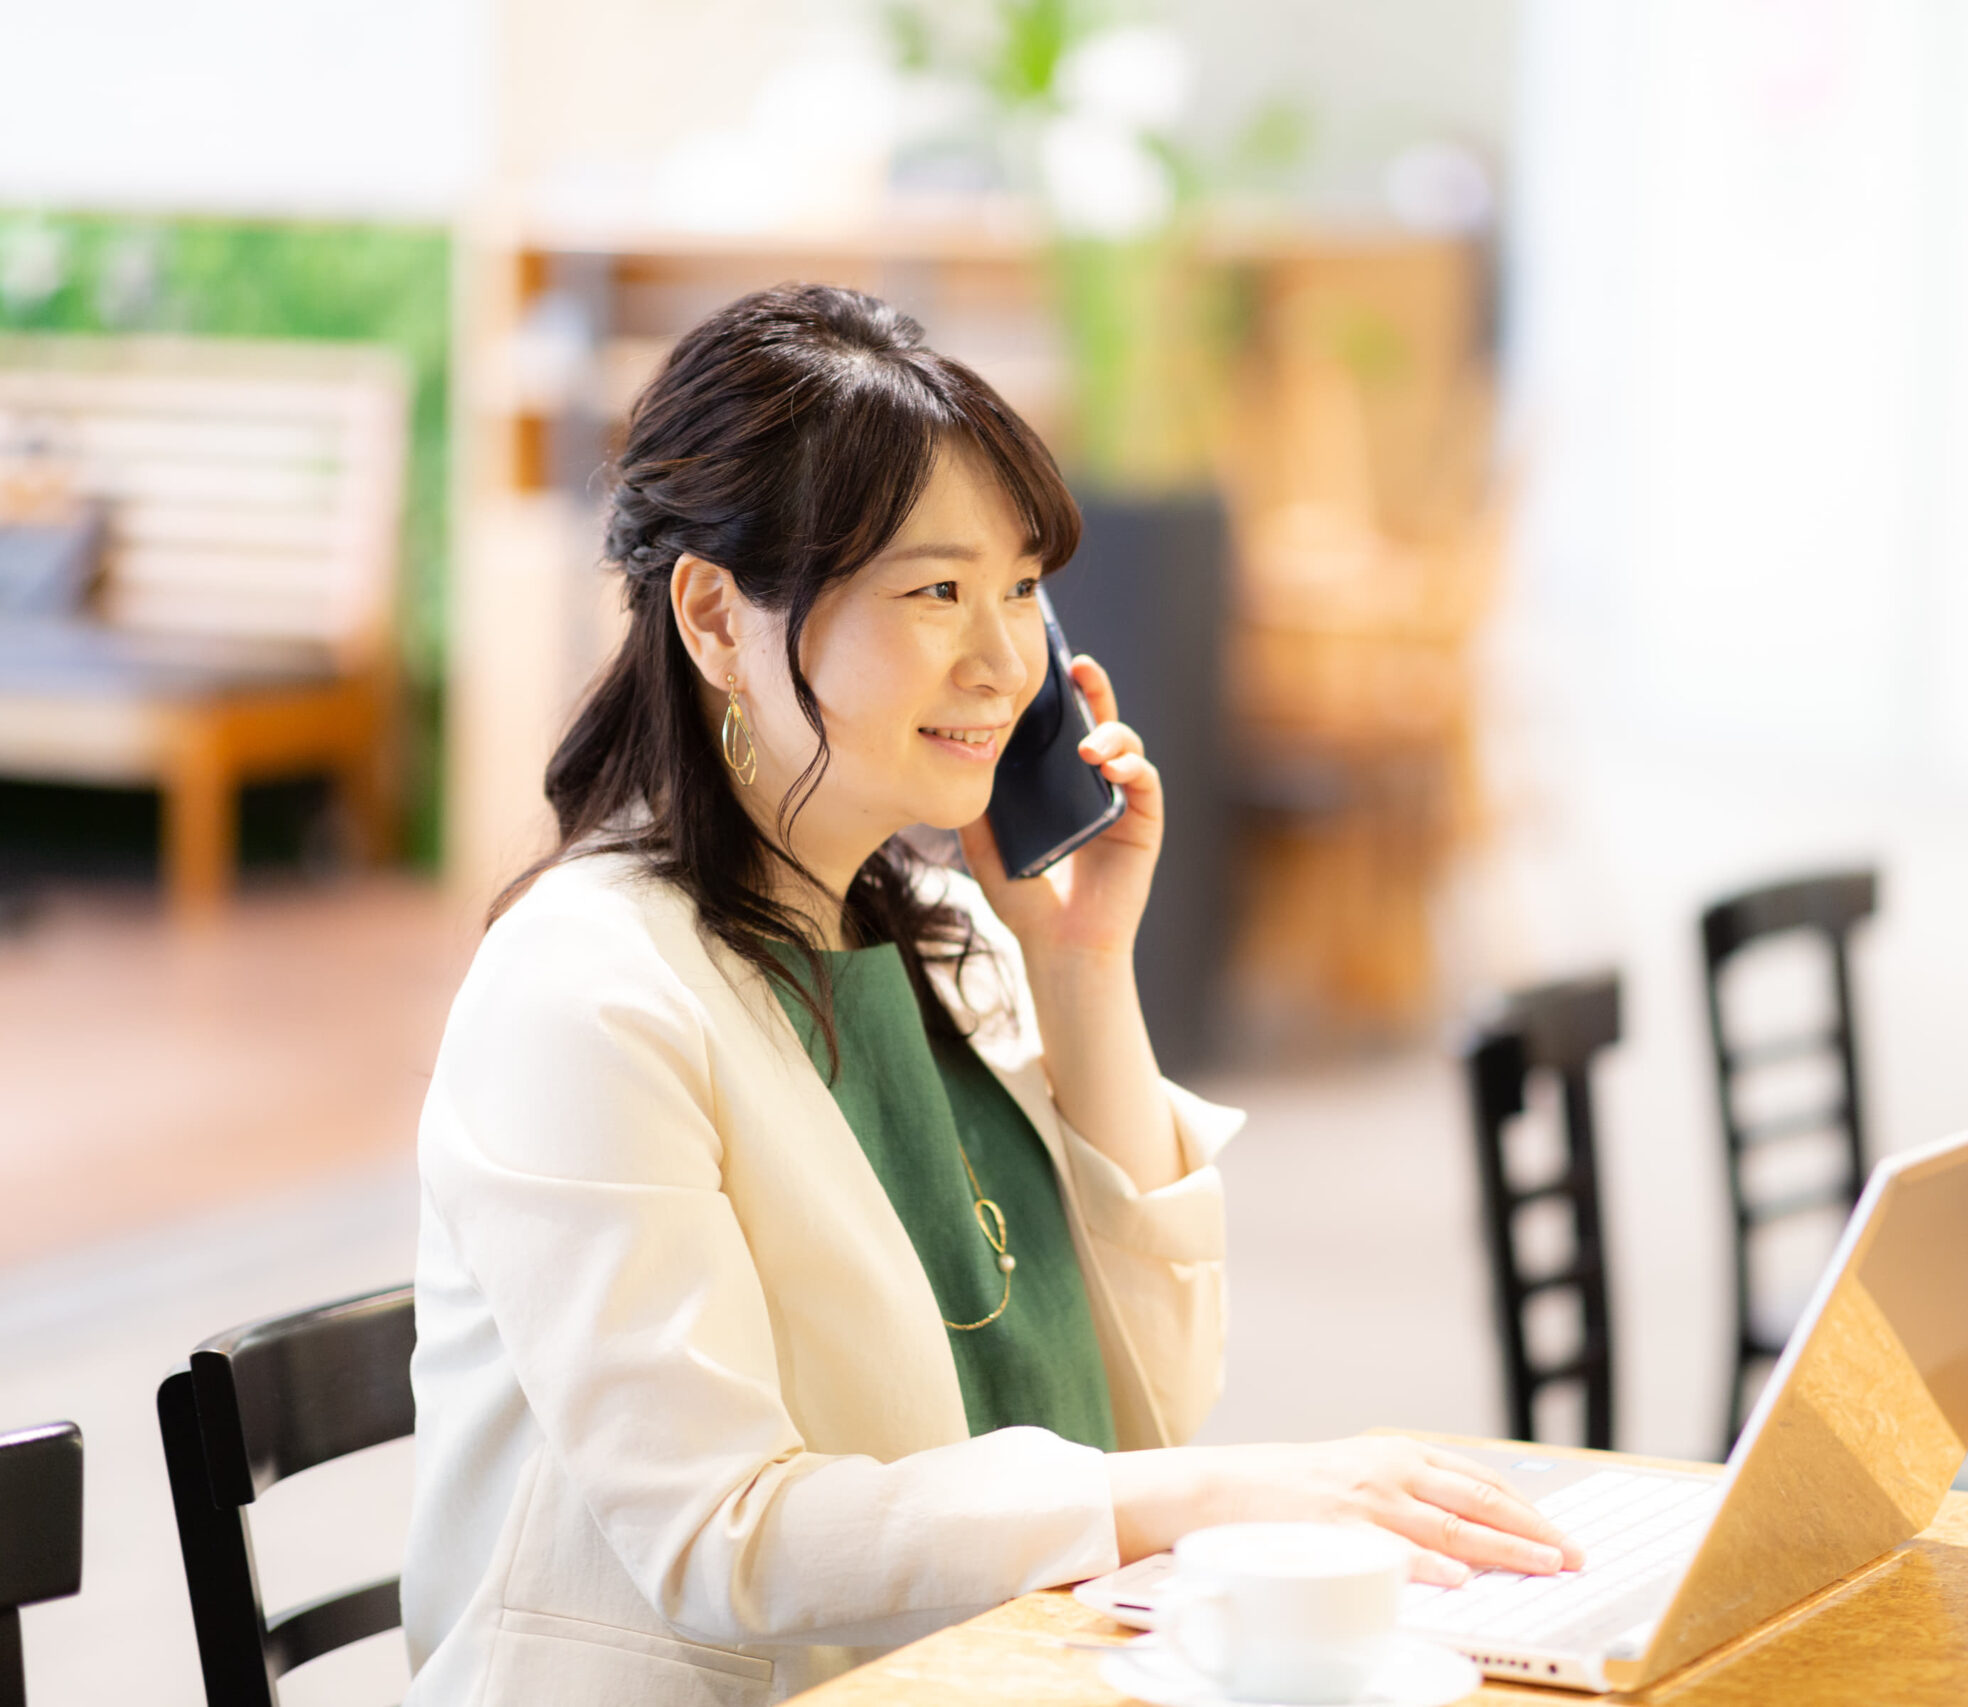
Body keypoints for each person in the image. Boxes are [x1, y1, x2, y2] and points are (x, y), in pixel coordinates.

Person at [402, 284, 1576, 1706]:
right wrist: (1212, 1499)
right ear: (715, 614)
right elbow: (726, 1536)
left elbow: (1151, 1393)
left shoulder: (944, 931)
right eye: (935, 591)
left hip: (986, 1671)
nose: (1004, 661)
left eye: (1021, 588)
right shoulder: (585, 996)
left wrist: (1083, 968)